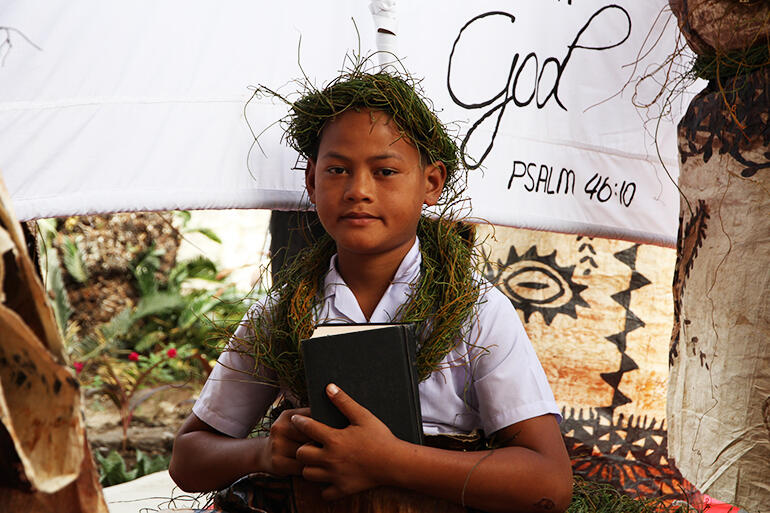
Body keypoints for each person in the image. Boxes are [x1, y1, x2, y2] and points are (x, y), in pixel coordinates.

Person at [169, 70, 573, 513]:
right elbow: (188, 460)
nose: (358, 190)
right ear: (310, 181)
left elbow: (548, 483)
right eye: (337, 170)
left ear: (431, 184)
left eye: (385, 171)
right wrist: (264, 452)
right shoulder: (279, 314)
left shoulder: (475, 313)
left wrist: (389, 461)